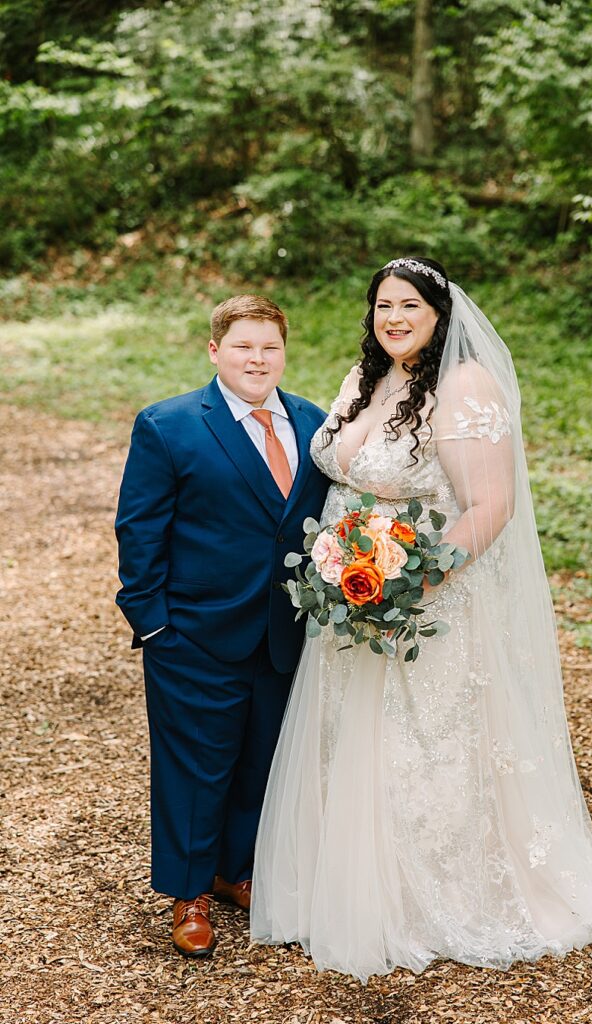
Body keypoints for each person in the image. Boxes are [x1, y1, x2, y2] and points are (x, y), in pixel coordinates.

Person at [250, 258, 592, 982]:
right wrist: (346, 571)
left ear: (438, 314)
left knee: (421, 743)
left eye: (409, 305)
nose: (393, 317)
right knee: (347, 737)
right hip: (348, 595)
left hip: (423, 603)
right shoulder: (367, 380)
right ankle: (351, 887)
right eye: (382, 305)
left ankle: (432, 898)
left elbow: (490, 508)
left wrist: (404, 586)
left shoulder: (463, 387)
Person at [115, 294, 329, 959]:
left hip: (282, 632)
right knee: (195, 765)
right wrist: (154, 625)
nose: (256, 359)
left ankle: (237, 870)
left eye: (269, 347)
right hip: (192, 635)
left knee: (261, 759)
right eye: (243, 346)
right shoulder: (169, 425)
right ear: (215, 351)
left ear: (283, 353)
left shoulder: (314, 424)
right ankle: (188, 894)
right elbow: (139, 530)